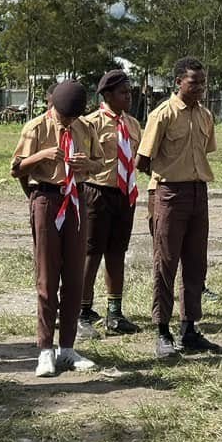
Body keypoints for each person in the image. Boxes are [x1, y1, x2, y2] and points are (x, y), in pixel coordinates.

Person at [13, 79, 97, 377]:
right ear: (53, 107)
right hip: (47, 198)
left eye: (73, 117)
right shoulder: (36, 128)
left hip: (75, 199)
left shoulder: (84, 128)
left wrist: (85, 164)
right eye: (64, 117)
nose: (69, 122)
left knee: (75, 274)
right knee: (48, 277)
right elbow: (16, 169)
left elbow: (98, 165)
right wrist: (42, 156)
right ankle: (45, 349)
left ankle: (68, 347)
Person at [139, 57, 219, 359]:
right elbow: (143, 159)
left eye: (202, 82)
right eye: (193, 82)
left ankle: (189, 328)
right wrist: (168, 179)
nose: (199, 87)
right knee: (166, 263)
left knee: (196, 264)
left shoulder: (205, 115)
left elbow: (206, 150)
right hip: (170, 193)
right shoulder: (163, 114)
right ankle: (162, 330)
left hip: (199, 193)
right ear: (177, 83)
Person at [77, 71, 141, 335]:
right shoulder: (90, 123)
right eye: (123, 93)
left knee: (117, 253)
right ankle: (82, 311)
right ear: (107, 95)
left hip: (125, 194)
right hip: (97, 192)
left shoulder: (133, 124)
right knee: (91, 253)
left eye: (129, 92)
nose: (129, 97)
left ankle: (114, 312)